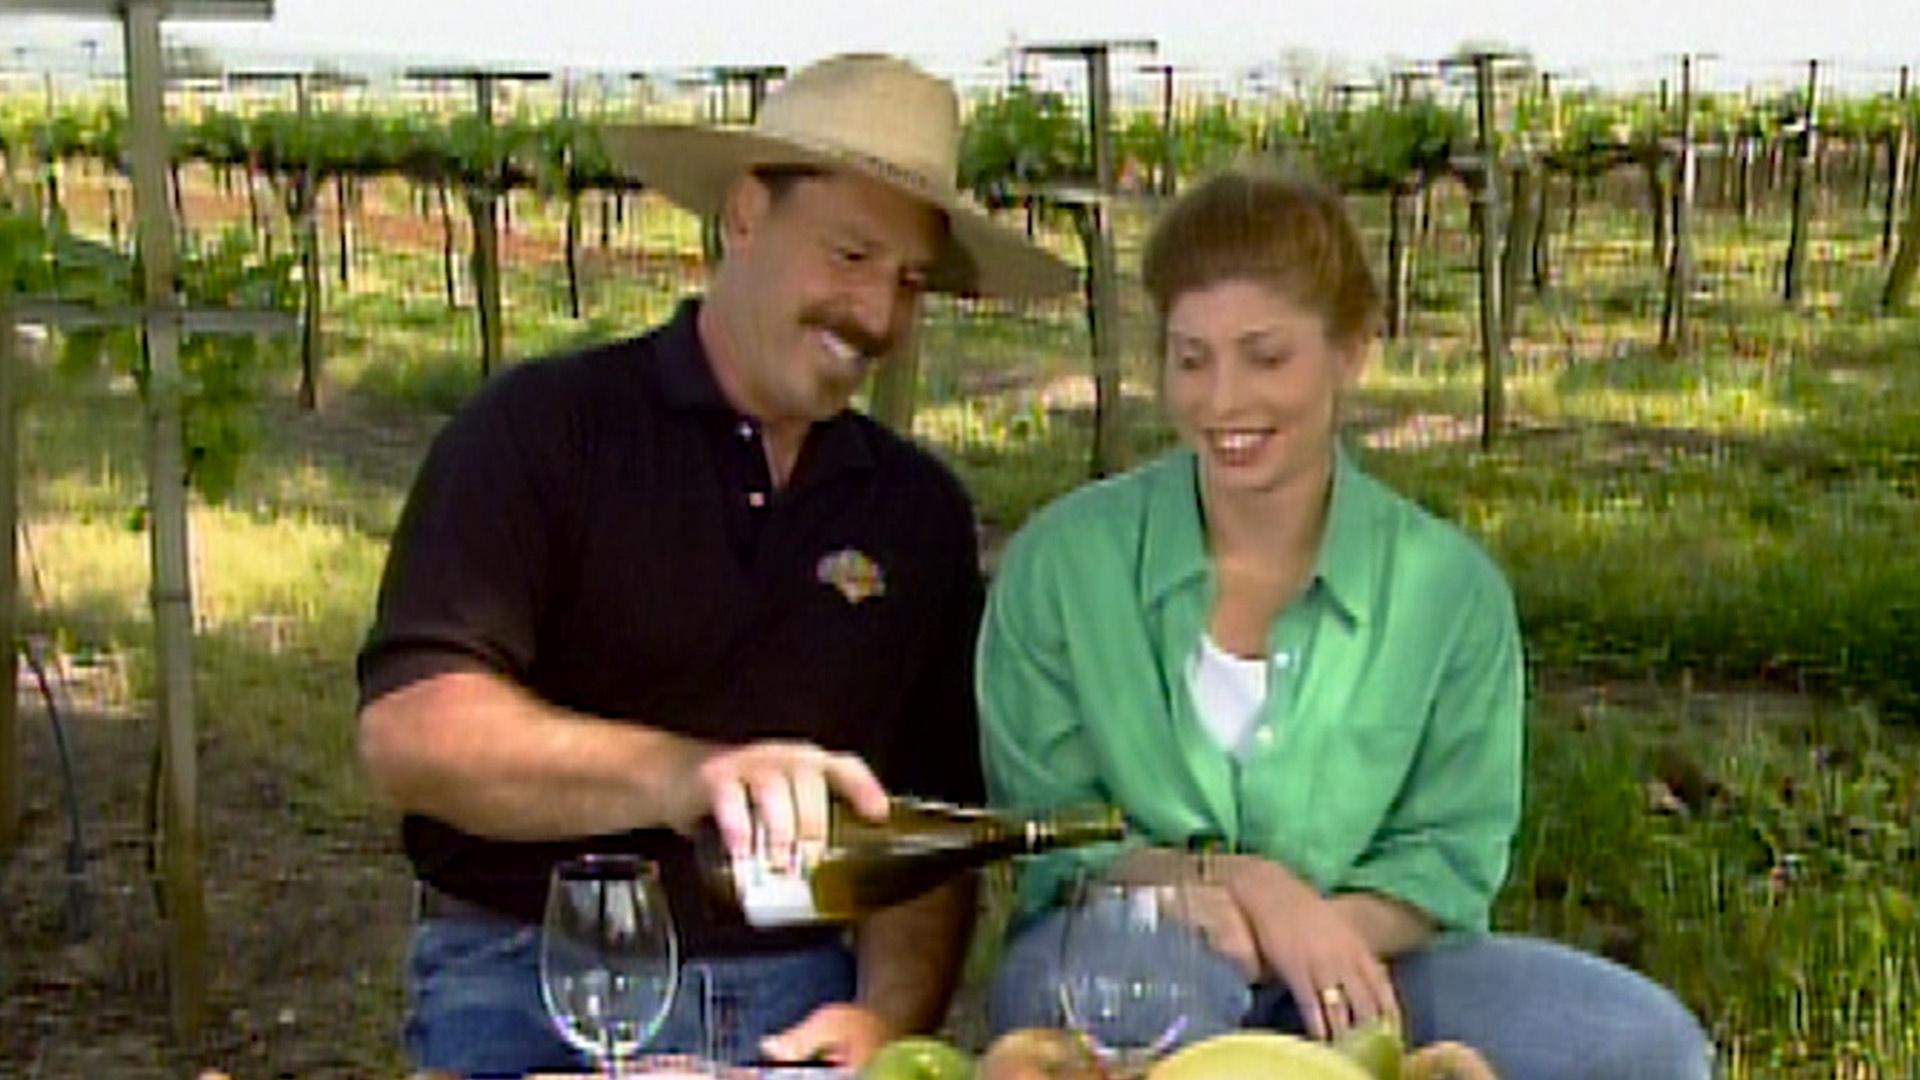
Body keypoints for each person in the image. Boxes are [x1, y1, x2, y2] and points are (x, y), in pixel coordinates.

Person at [355, 53, 1074, 1079]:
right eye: (851, 255)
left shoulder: (916, 513)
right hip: (531, 981)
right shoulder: (545, 431)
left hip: (793, 996)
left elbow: (919, 827)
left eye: (909, 282)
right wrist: (686, 775)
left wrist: (884, 1019)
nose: (876, 314)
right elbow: (410, 734)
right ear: (744, 215)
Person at [977, 169, 1714, 1079]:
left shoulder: (1449, 596)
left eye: (1265, 357)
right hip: (1137, 946)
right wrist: (1241, 887)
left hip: (1363, 956)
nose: (1222, 401)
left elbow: (1447, 858)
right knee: (1126, 1010)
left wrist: (1313, 933)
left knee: (1650, 1046)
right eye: (1191, 359)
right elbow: (1056, 831)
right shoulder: (1063, 565)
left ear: (1351, 352)